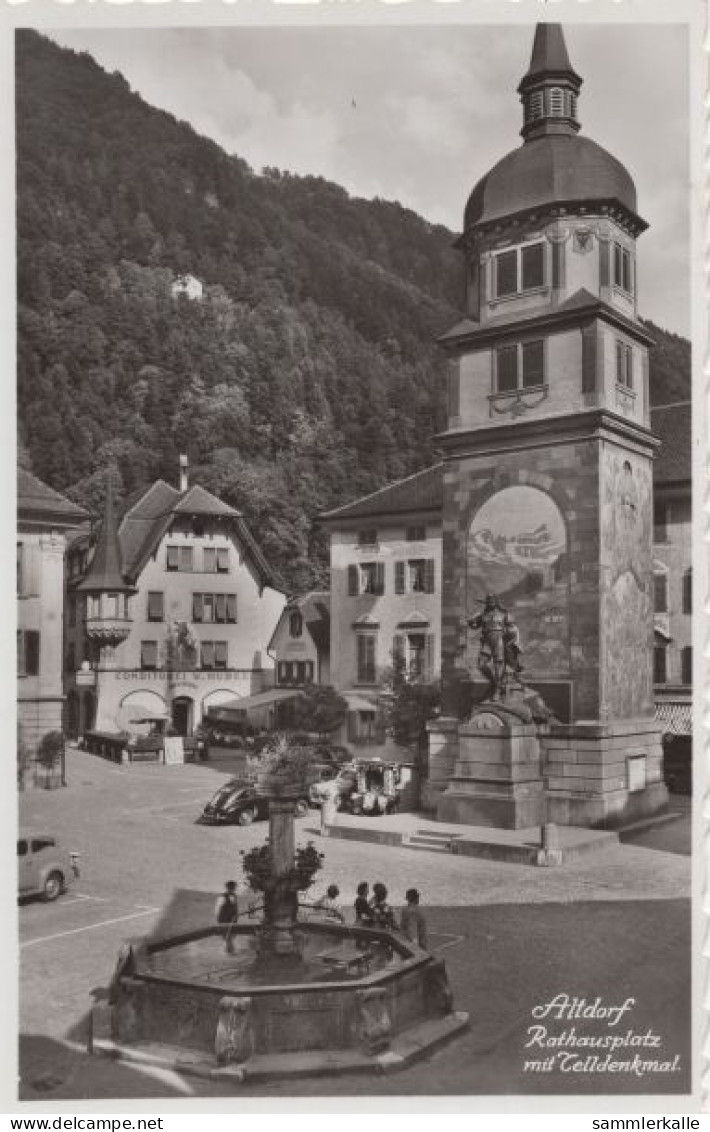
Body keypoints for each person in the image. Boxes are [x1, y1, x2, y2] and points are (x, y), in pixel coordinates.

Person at [215, 880, 240, 954]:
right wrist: (219, 921)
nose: (233, 889)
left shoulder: (234, 896)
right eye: (231, 888)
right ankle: (228, 951)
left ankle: (230, 951)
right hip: (224, 920)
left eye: (234, 888)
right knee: (227, 937)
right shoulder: (222, 896)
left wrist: (236, 916)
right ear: (227, 888)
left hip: (232, 919)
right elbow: (217, 909)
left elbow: (235, 908)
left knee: (231, 936)